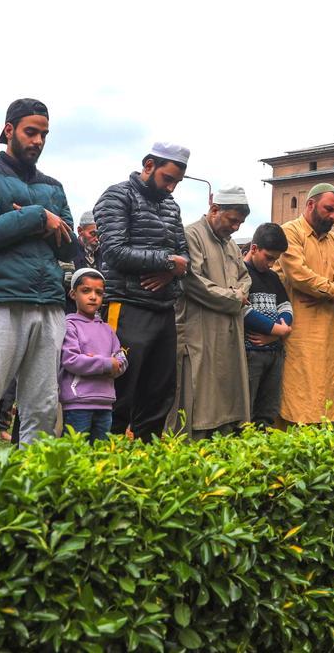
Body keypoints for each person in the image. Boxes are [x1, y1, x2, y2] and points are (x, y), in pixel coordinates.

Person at [0, 98, 77, 452]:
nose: (38, 140)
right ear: (9, 130)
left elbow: (70, 247)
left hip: (49, 303)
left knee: (41, 407)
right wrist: (40, 218)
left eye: (44, 134)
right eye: (31, 132)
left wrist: (22, 219)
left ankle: (33, 485)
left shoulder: (54, 185)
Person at [94, 142, 190, 441]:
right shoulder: (117, 195)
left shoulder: (171, 206)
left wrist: (173, 269)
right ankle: (103, 461)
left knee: (159, 392)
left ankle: (147, 463)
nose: (172, 188)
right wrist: (167, 262)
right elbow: (114, 251)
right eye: (167, 179)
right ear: (149, 165)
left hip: (163, 309)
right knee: (118, 390)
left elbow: (185, 258)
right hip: (126, 305)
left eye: (177, 182)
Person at [176, 187, 252, 438]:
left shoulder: (230, 245)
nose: (236, 228)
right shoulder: (191, 235)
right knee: (200, 401)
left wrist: (238, 293)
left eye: (240, 223)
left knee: (228, 398)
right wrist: (235, 297)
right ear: (214, 210)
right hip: (200, 329)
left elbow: (245, 277)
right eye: (233, 221)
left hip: (229, 329)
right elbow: (192, 281)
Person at [278, 184, 334, 424]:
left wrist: (331, 292)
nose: (333, 216)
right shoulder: (290, 232)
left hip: (328, 330)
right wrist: (333, 290)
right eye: (328, 209)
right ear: (310, 205)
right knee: (297, 391)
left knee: (326, 390)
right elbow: (298, 275)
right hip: (296, 328)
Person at [59, 268, 127, 442]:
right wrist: (106, 364)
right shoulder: (70, 325)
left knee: (100, 454)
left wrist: (112, 365)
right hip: (78, 403)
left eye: (99, 292)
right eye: (86, 291)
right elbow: (71, 360)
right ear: (73, 294)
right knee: (75, 452)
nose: (93, 296)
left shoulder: (107, 329)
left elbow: (121, 358)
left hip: (105, 403)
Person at [242, 223, 294, 428]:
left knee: (267, 412)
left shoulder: (272, 277)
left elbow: (286, 305)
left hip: (275, 353)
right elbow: (242, 310)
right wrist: (277, 330)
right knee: (247, 410)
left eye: (276, 259)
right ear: (254, 249)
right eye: (269, 257)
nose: (272, 264)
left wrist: (281, 331)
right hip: (250, 354)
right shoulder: (240, 272)